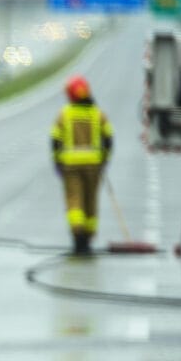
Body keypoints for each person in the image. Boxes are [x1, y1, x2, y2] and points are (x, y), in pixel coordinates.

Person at [50, 75, 113, 255]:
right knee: (90, 201)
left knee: (74, 202)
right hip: (94, 165)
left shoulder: (64, 114)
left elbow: (55, 140)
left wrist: (57, 160)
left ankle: (78, 240)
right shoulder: (97, 114)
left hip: (71, 166)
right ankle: (88, 239)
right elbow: (108, 138)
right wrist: (105, 159)